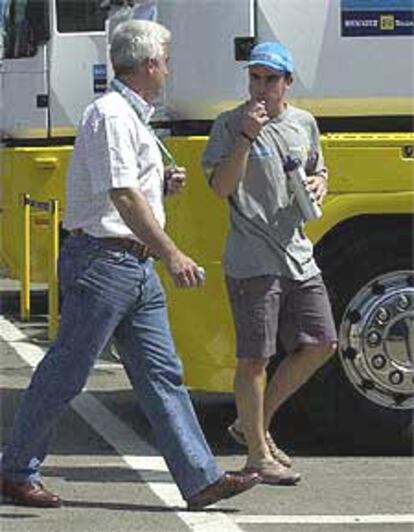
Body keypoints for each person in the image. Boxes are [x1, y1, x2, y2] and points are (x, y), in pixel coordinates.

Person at [0, 20, 260, 510]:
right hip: (105, 264)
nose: (169, 69)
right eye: (166, 59)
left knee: (163, 375)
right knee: (65, 374)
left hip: (130, 267)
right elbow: (120, 196)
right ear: (149, 64)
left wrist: (160, 185)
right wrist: (172, 252)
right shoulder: (113, 115)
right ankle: (15, 470)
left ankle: (200, 478)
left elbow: (123, 186)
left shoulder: (129, 116)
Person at [202, 41, 338, 485]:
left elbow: (318, 170)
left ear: (288, 83)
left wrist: (319, 183)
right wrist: (245, 137)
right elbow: (221, 188)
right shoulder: (228, 124)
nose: (261, 88)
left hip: (298, 254)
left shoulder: (304, 124)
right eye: (254, 78)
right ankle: (257, 455)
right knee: (255, 358)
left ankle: (252, 426)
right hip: (252, 258)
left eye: (271, 80)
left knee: (322, 342)